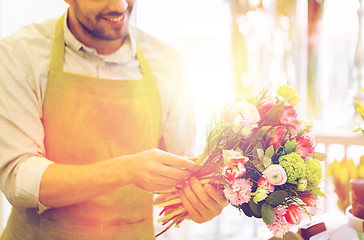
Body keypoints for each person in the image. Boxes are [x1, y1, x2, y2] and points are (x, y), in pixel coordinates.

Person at [0, 0, 227, 239]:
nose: (120, 5)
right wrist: (126, 170)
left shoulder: (166, 62)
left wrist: (200, 202)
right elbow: (19, 177)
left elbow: (183, 168)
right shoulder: (19, 54)